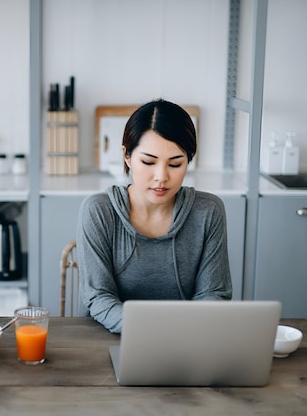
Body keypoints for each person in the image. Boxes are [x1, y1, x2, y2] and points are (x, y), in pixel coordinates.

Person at [77, 99, 232, 333]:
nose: (161, 177)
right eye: (148, 162)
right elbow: (99, 297)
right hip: (112, 340)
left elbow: (213, 295)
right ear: (127, 157)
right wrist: (155, 332)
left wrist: (169, 337)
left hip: (186, 342)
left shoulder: (208, 211)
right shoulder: (98, 211)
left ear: (189, 160)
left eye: (175, 164)